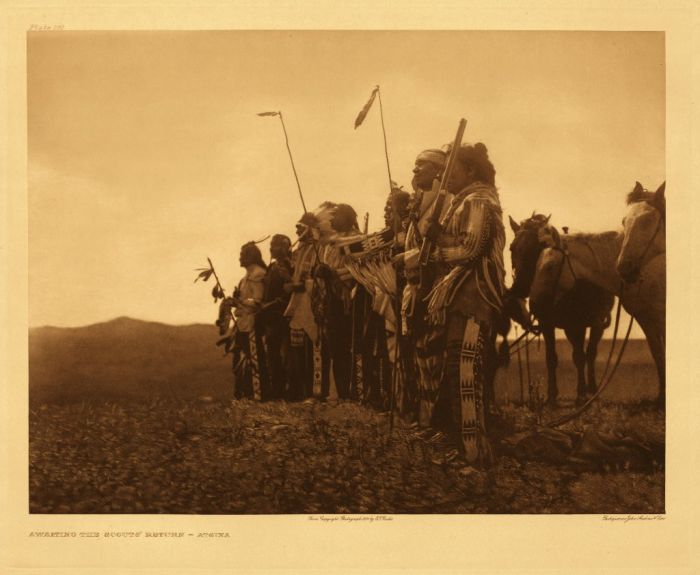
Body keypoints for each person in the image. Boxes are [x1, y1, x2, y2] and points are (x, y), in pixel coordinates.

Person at [396, 143, 506, 466]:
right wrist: (437, 238)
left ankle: (473, 454)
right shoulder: (464, 202)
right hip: (460, 297)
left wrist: (437, 246)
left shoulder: (479, 201)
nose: (445, 177)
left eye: (451, 170)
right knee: (457, 374)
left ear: (470, 171)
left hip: (474, 297)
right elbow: (460, 245)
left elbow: (471, 249)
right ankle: (463, 447)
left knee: (466, 376)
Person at [228, 241, 270, 401]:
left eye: (242, 255)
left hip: (252, 323)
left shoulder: (258, 274)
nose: (239, 258)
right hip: (242, 324)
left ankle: (258, 395)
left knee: (254, 359)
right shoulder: (245, 278)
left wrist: (240, 301)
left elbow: (259, 301)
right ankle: (244, 394)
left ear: (250, 256)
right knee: (241, 360)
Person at [261, 234, 293, 400]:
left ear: (286, 248)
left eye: (277, 245)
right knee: (272, 356)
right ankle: (277, 392)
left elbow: (290, 294)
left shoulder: (289, 267)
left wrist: (271, 304)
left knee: (286, 356)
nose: (273, 249)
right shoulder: (271, 268)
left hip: (284, 317)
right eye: (272, 245)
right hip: (271, 318)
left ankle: (289, 393)